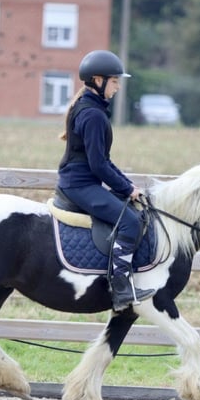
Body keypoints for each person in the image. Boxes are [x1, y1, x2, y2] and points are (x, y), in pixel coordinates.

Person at [57, 50, 156, 312]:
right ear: (98, 80)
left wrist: (128, 186)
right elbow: (98, 165)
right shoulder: (93, 115)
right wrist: (125, 188)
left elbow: (104, 161)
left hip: (83, 182)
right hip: (80, 186)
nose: (118, 86)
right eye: (114, 81)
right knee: (130, 221)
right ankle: (121, 289)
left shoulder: (92, 109)